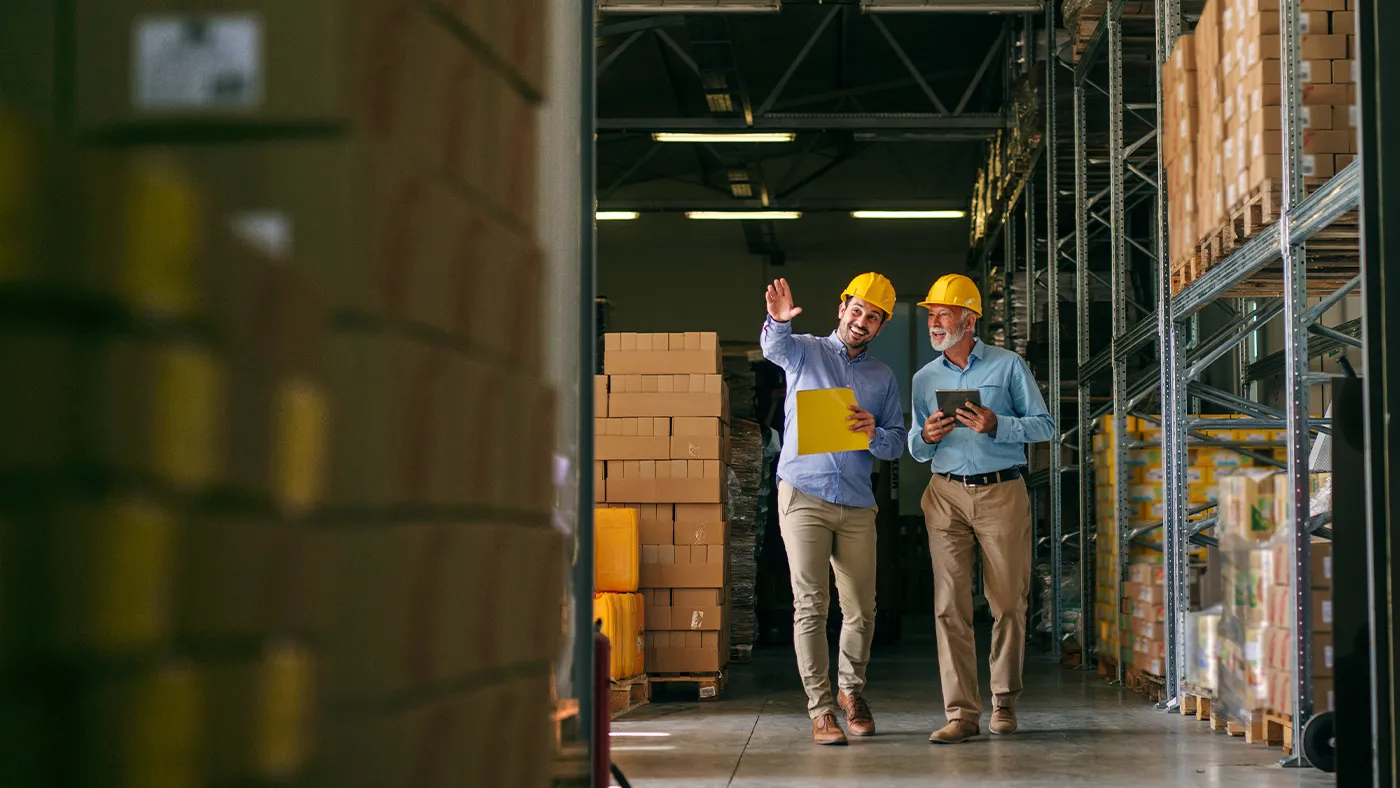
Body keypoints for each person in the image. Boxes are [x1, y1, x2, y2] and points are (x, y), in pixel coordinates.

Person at [906, 273, 1055, 744]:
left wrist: (998, 425)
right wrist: (925, 437)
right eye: (931, 315)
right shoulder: (923, 378)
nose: (934, 323)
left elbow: (1045, 426)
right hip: (945, 493)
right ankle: (961, 714)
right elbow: (916, 446)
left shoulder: (1009, 367)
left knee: (1008, 600)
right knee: (950, 606)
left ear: (969, 320)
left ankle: (1004, 701)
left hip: (1001, 493)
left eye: (943, 314)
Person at [760, 274, 908, 746]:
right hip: (804, 493)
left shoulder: (882, 378)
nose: (862, 321)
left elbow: (896, 444)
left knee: (862, 608)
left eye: (873, 316)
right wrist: (777, 320)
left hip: (857, 503)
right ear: (842, 307)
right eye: (857, 309)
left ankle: (851, 692)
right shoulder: (803, 351)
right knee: (811, 604)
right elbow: (772, 348)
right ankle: (821, 709)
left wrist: (873, 433)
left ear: (881, 326)